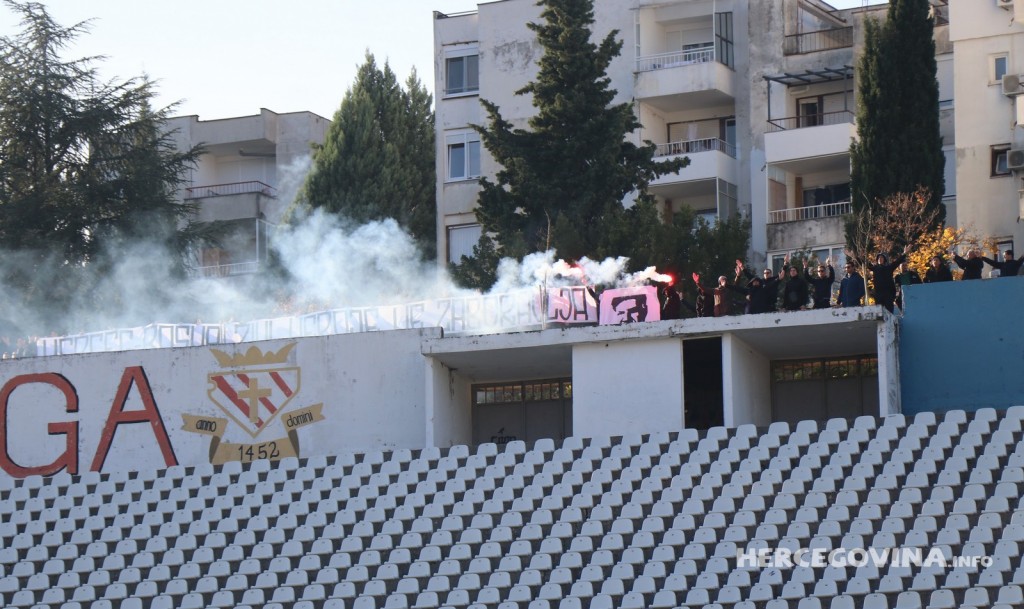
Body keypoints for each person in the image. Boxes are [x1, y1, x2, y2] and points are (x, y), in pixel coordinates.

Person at [850, 245, 909, 313]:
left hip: (888, 294)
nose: (879, 259)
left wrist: (904, 253)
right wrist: (854, 256)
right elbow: (864, 263)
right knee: (880, 313)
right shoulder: (875, 268)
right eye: (878, 258)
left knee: (889, 311)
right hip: (878, 294)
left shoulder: (889, 267)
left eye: (881, 258)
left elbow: (897, 261)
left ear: (884, 259)